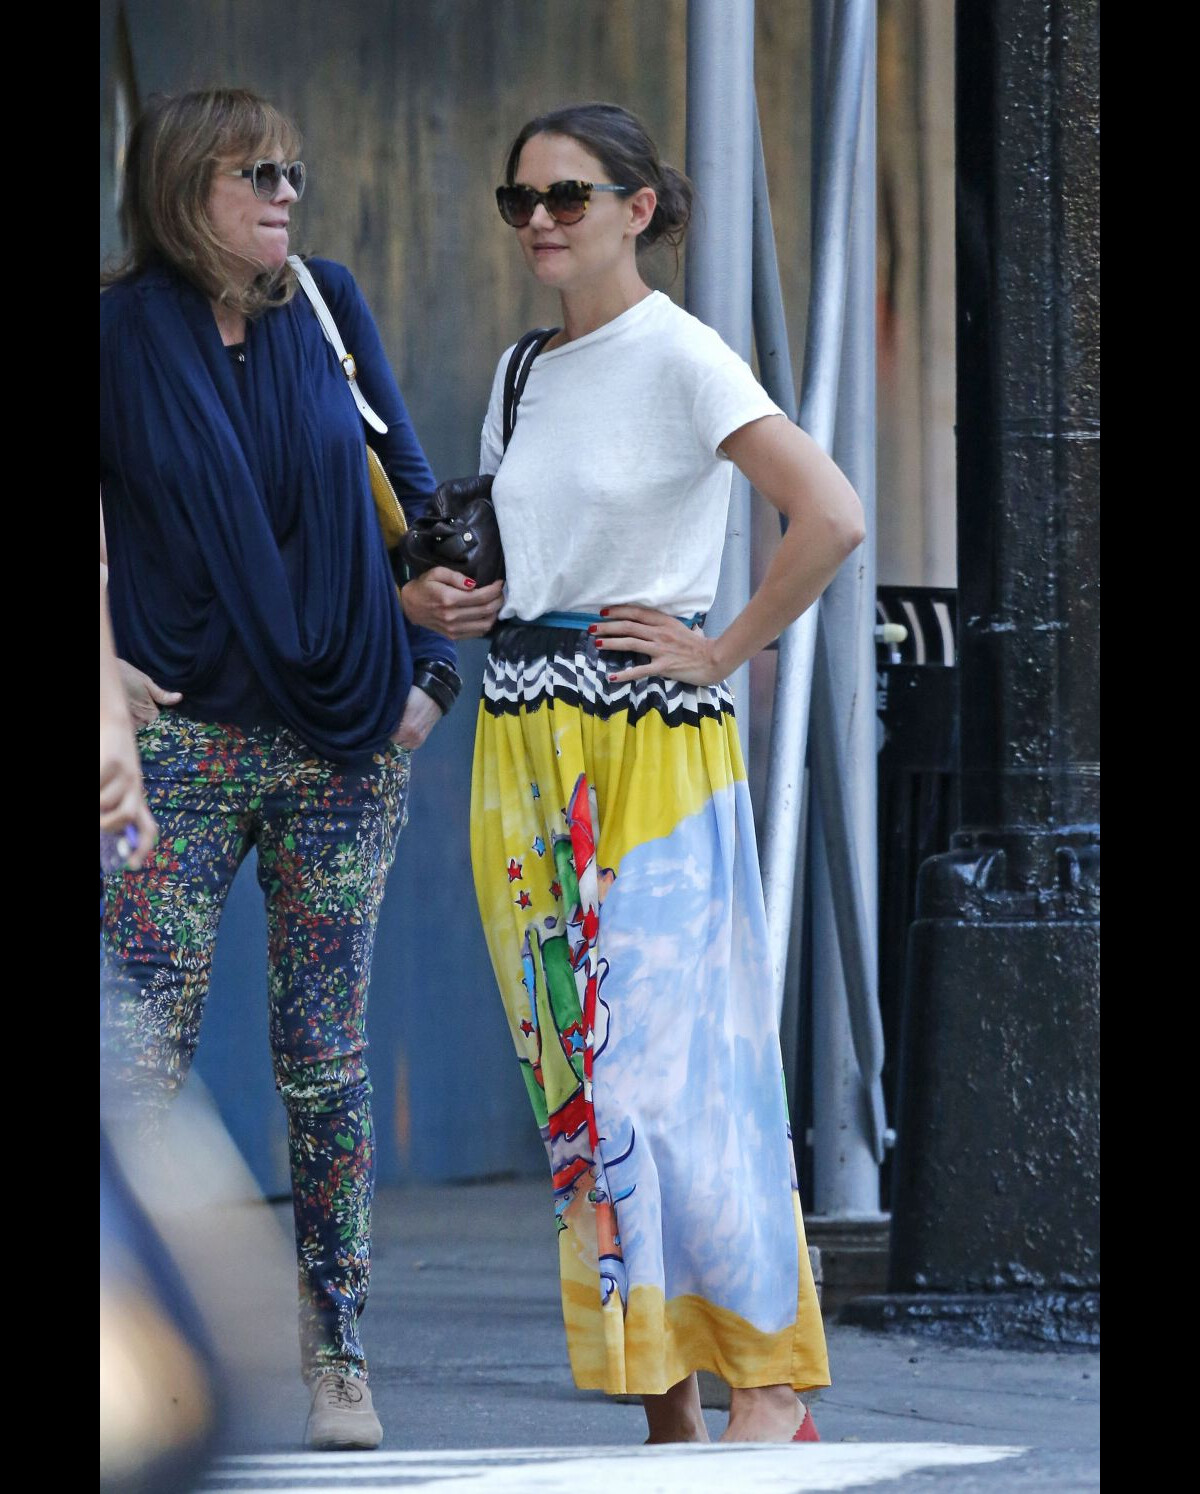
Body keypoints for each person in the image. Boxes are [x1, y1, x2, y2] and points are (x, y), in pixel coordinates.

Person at [402, 102, 864, 1445]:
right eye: (521, 201)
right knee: (580, 1082)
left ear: (639, 208)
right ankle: (663, 1395)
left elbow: (828, 512)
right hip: (525, 738)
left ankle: (766, 1385)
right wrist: (448, 604)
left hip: (649, 745)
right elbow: (513, 558)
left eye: (568, 197)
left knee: (678, 1074)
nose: (540, 221)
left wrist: (720, 646)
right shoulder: (520, 370)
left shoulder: (684, 355)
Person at [99, 88, 461, 1451]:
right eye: (260, 172)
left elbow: (423, 517)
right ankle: (128, 1344)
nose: (287, 194)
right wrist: (104, 683)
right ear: (188, 185)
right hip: (179, 745)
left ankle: (340, 1351)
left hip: (343, 747)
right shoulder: (115, 332)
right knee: (137, 1054)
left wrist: (430, 676)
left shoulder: (329, 306)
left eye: (296, 171)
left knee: (325, 1057)